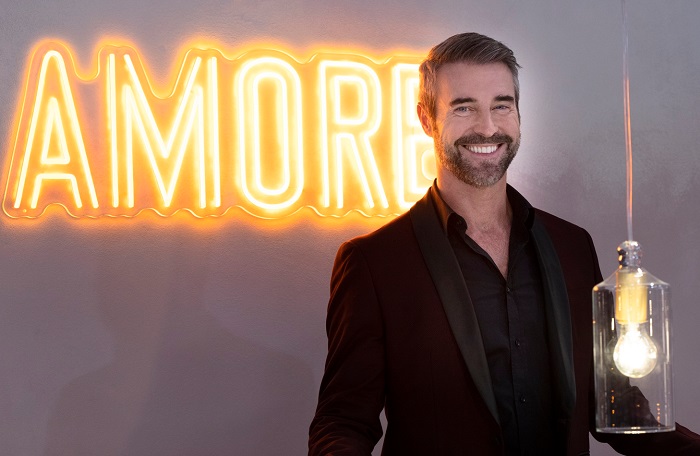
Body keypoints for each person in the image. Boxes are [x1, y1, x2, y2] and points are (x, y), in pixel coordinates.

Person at [309, 32, 700, 455]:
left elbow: (613, 405)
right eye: (464, 108)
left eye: (502, 105)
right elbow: (343, 421)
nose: (488, 127)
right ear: (426, 119)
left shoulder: (572, 246)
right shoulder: (374, 263)